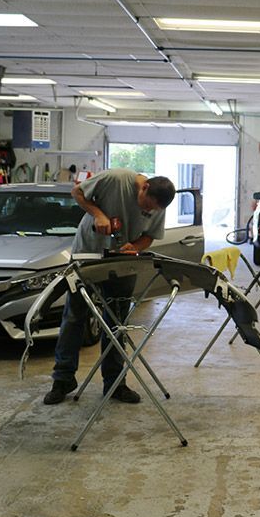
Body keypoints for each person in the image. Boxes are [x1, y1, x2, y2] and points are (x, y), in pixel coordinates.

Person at [43, 169, 176, 405]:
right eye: (146, 207)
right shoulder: (116, 179)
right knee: (74, 317)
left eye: (152, 210)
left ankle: (115, 383)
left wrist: (134, 247)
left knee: (117, 323)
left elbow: (149, 237)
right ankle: (63, 380)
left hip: (122, 264)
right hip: (88, 255)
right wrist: (98, 214)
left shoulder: (157, 205)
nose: (148, 212)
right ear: (144, 187)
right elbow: (77, 192)